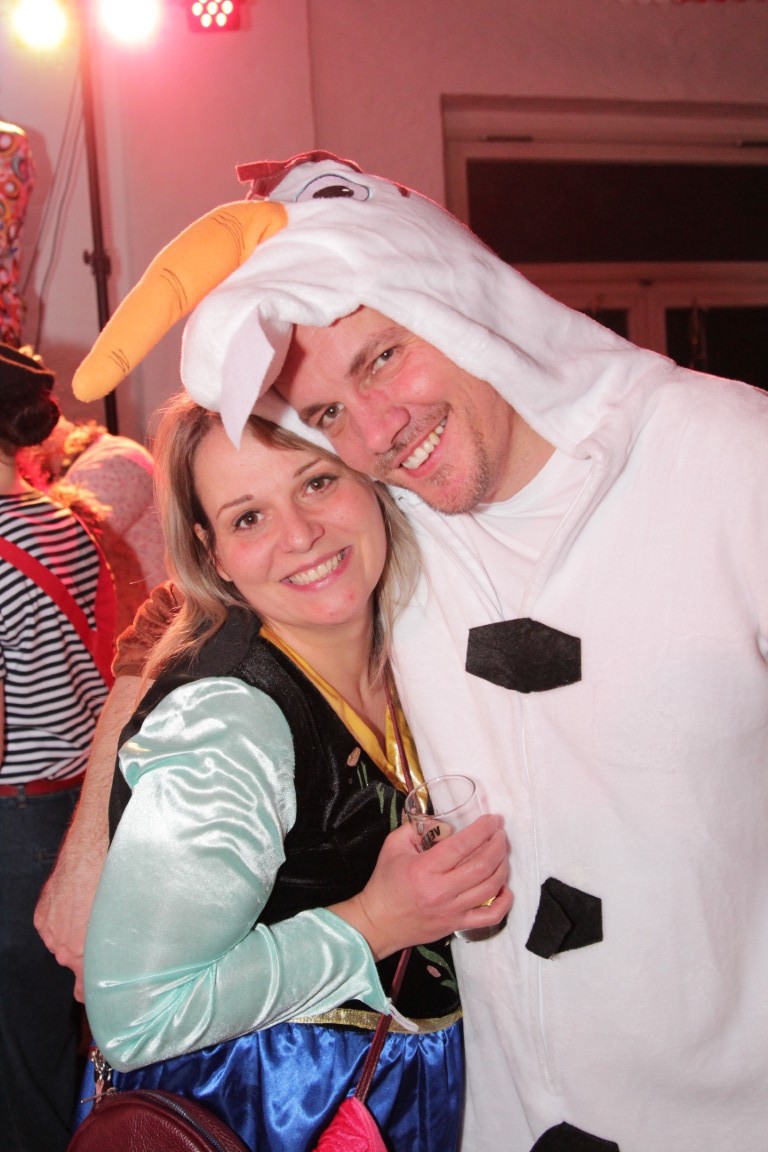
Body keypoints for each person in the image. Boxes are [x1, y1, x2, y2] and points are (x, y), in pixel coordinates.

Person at [67, 153, 768, 1151]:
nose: (380, 431)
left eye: (384, 358)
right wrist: (91, 842)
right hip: (490, 1116)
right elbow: (208, 604)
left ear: (455, 296)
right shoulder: (396, 510)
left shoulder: (732, 459)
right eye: (326, 416)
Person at [81, 392, 511, 1151]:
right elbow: (136, 1014)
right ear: (213, 554)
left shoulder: (415, 643)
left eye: (317, 482)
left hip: (402, 1091)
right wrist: (378, 919)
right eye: (249, 517)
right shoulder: (229, 726)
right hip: (270, 1109)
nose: (301, 534)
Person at [0, 343, 113, 1152]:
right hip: (78, 808)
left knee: (20, 1063)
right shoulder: (63, 521)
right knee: (52, 1038)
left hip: (12, 825)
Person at [22, 412, 166, 634]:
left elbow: (62, 549)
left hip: (158, 632)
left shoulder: (115, 460)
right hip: (142, 632)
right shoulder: (101, 459)